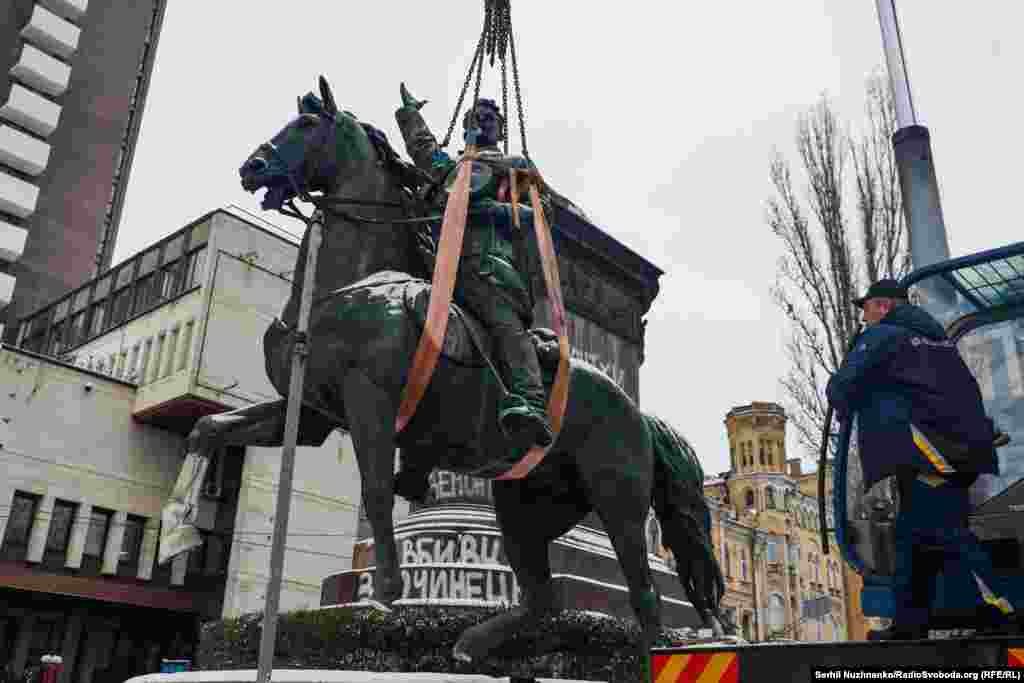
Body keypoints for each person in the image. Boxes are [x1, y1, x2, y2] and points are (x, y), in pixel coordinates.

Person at [826, 278, 1013, 640]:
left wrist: (846, 398)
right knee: (912, 540)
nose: (864, 317)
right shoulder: (941, 343)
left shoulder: (882, 338)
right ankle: (910, 625)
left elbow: (841, 387)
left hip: (928, 455)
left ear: (882, 306)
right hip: (956, 454)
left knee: (947, 535)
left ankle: (1002, 609)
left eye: (866, 308)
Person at [394, 85, 553, 454]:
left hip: (488, 266)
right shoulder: (455, 169)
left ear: (500, 128)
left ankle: (531, 401)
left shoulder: (515, 168)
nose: (481, 123)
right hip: (438, 263)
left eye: (488, 119)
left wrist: (481, 211)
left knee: (503, 324)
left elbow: (541, 214)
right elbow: (425, 154)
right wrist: (411, 116)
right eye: (474, 118)